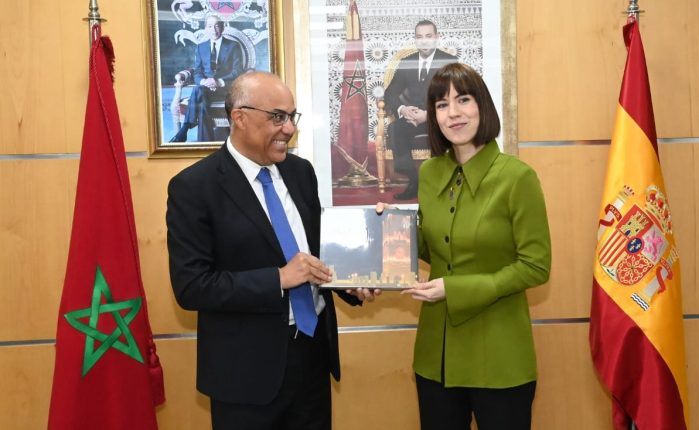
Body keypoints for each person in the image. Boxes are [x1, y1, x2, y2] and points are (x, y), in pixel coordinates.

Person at [166, 71, 378, 429]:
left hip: (312, 360)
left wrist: (351, 281)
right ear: (239, 117)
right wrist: (278, 279)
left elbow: (317, 255)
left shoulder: (301, 173)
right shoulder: (194, 187)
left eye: (292, 117)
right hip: (245, 376)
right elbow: (192, 286)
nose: (289, 128)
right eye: (277, 117)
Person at [403, 63, 551, 429]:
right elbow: (433, 248)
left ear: (482, 106)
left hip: (499, 356)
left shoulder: (517, 177)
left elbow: (535, 266)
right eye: (441, 104)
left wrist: (454, 289)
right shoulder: (429, 173)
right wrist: (388, 231)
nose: (452, 113)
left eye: (463, 100)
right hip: (435, 357)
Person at [383, 20, 457, 200]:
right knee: (395, 128)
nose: (424, 41)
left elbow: (455, 96)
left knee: (440, 133)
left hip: (439, 118)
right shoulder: (407, 62)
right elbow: (390, 93)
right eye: (419, 36)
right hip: (412, 117)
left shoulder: (449, 62)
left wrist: (429, 115)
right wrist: (403, 109)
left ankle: (439, 184)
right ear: (415, 40)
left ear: (436, 37)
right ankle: (414, 181)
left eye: (428, 36)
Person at [170, 14, 244, 142]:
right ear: (206, 29)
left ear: (222, 27)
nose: (214, 30)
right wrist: (204, 81)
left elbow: (238, 71)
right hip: (206, 88)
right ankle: (194, 135)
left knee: (200, 99)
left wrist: (218, 82)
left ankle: (185, 129)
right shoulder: (201, 47)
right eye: (210, 26)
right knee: (199, 92)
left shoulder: (233, 45)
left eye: (217, 26)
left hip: (226, 89)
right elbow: (198, 71)